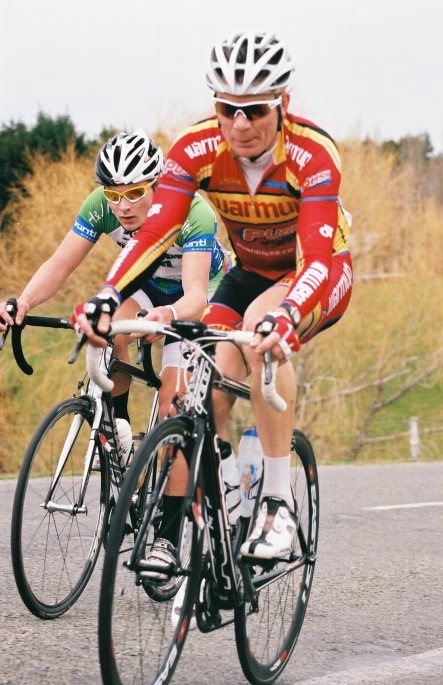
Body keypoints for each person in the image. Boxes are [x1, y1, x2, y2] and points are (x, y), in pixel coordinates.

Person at [73, 31, 353, 561]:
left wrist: (289, 314)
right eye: (228, 109)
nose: (240, 124)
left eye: (255, 110)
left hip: (315, 273)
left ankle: (276, 501)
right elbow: (154, 231)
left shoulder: (314, 153)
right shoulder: (195, 148)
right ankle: (221, 490)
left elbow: (314, 256)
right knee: (207, 382)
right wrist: (109, 295)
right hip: (249, 270)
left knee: (260, 331)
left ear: (283, 104)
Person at [0, 130, 226, 580]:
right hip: (144, 284)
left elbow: (197, 295)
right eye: (114, 194)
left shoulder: (192, 211)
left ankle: (166, 535)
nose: (123, 205)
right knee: (111, 331)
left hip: (195, 296)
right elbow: (60, 264)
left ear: (157, 185)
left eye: (136, 193)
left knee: (172, 405)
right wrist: (21, 303)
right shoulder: (101, 207)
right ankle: (118, 427)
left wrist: (165, 317)